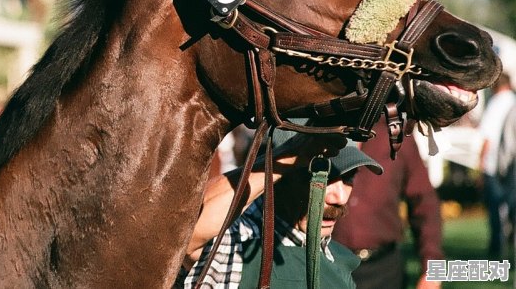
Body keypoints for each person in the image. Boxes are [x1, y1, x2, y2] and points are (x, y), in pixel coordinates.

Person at [180, 132, 382, 288]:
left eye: (348, 178)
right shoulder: (240, 240)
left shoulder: (338, 259)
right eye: (322, 179)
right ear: (281, 175)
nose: (340, 198)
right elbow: (186, 235)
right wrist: (287, 155)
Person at [332, 117, 444, 289]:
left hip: (385, 270)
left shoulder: (396, 134)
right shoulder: (321, 128)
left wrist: (433, 272)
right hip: (329, 267)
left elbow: (425, 203)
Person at [477, 73, 516, 260]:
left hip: (494, 165)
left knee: (497, 210)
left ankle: (498, 250)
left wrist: (481, 164)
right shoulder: (513, 102)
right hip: (512, 165)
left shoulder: (495, 104)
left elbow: (488, 138)